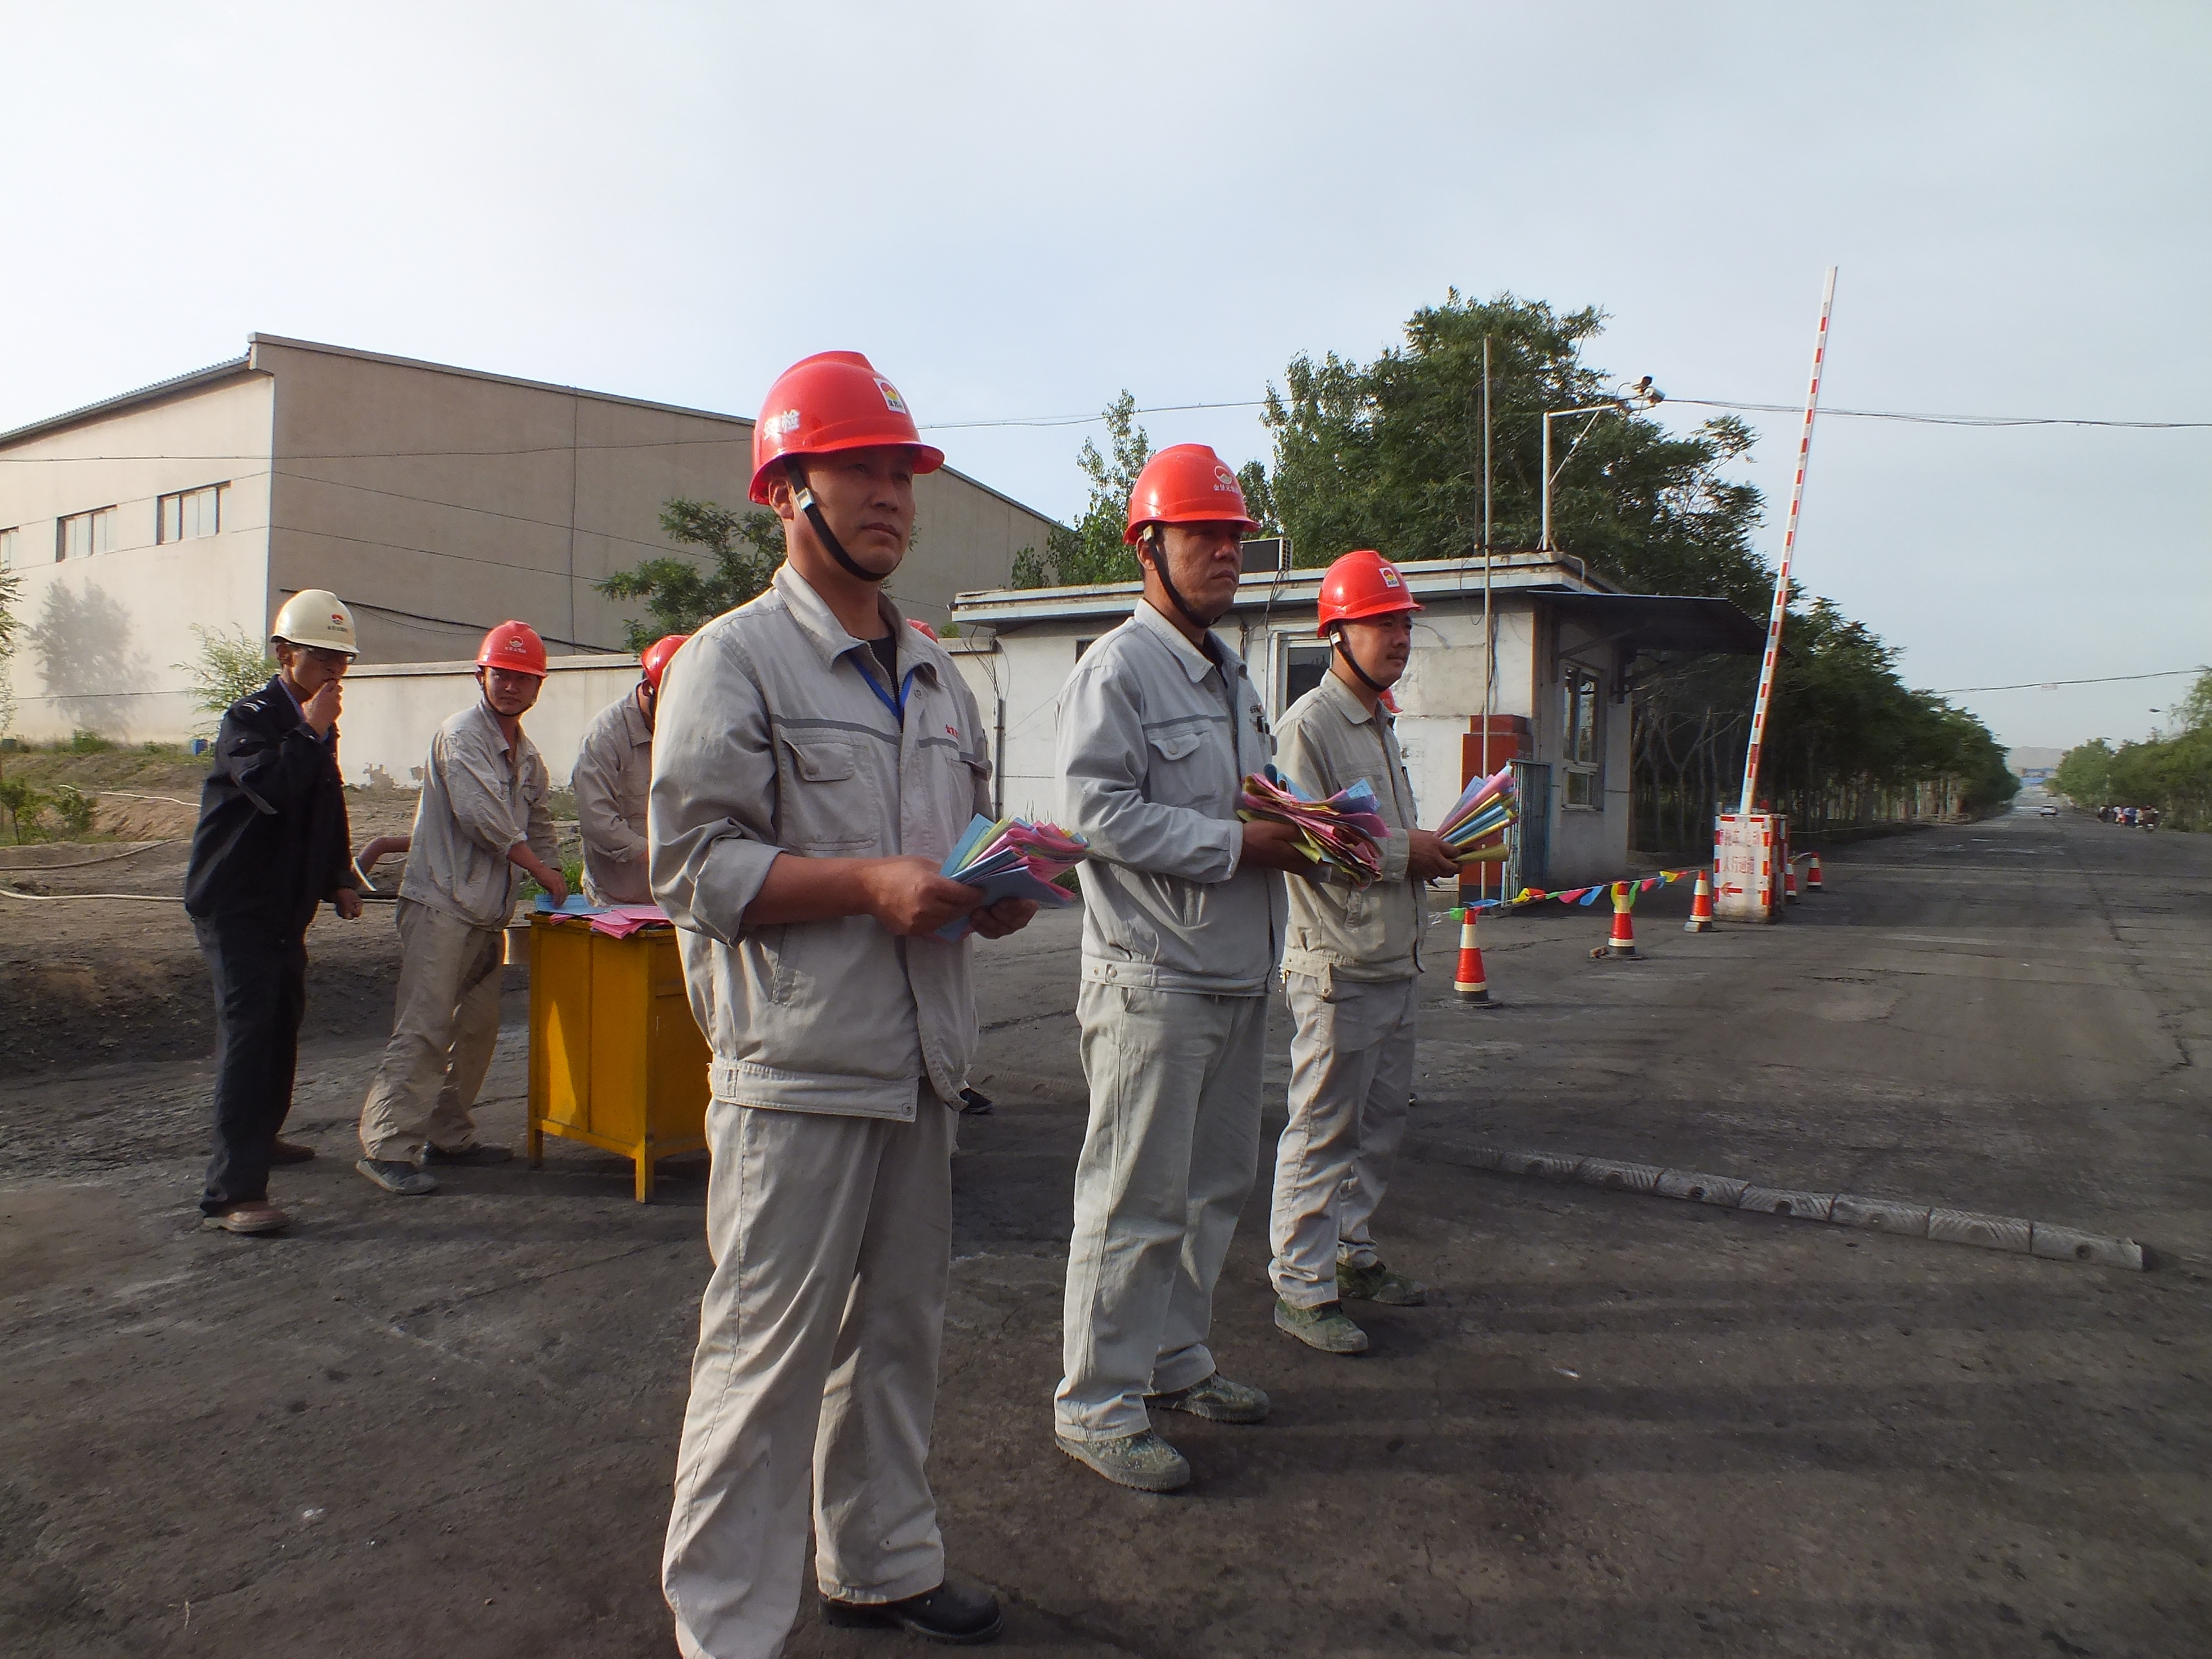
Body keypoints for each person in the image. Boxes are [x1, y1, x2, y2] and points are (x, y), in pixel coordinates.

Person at [654, 350, 1036, 1656]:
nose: (888, 496)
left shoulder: (935, 674)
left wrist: (987, 891)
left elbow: (953, 840)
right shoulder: (733, 662)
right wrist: (869, 884)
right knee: (761, 1356)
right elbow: (692, 867)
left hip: (921, 1059)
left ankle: (878, 1561)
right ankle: (725, 1628)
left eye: (901, 474)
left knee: (895, 1333)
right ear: (785, 490)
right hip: (796, 1069)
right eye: (858, 469)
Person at [1050, 443, 1315, 1493]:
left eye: (1233, 535)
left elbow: (1251, 797)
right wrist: (1233, 844)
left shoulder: (1233, 675)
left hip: (1235, 972)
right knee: (1133, 1201)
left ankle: (1174, 1360)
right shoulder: (1116, 670)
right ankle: (1097, 1404)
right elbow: (1092, 814)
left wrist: (1302, 825)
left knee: (1212, 1190)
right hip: (1152, 978)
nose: (1224, 552)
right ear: (1147, 547)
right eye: (1202, 534)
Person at [1267, 550, 1459, 1354]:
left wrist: (1428, 847)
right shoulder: (1308, 727)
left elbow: (1378, 834)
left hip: (1392, 960)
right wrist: (1407, 853)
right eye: (1382, 623)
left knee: (1377, 1127)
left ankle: (1352, 1252)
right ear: (1337, 633)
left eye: (1403, 623)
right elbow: (1303, 844)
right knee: (1322, 1129)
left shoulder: (1381, 723)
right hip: (1338, 966)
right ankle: (1301, 1284)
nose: (1399, 637)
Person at [354, 620, 566, 1196]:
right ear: (481, 675)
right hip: (441, 907)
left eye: (523, 678)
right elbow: (485, 819)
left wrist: (559, 881)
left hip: (486, 915)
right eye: (502, 675)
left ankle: (448, 1135)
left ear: (538, 686)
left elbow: (539, 823)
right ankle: (387, 1146)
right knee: (423, 1028)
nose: (511, 687)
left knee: (476, 1029)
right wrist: (540, 870)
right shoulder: (461, 736)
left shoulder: (527, 758)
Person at [183, 589, 367, 1233]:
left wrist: (338, 878)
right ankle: (232, 1192)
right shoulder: (252, 718)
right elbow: (269, 789)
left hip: (283, 905)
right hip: (236, 903)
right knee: (250, 1034)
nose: (335, 670)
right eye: (322, 657)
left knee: (283, 1022)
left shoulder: (316, 725)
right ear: (286, 654)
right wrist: (309, 729)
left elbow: (324, 803)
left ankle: (263, 1136)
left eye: (342, 660)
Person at [573, 632, 687, 905]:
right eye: (671, 702)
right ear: (649, 689)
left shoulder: (689, 729)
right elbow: (598, 822)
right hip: (617, 899)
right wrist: (662, 857)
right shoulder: (604, 736)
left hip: (676, 898)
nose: (679, 712)